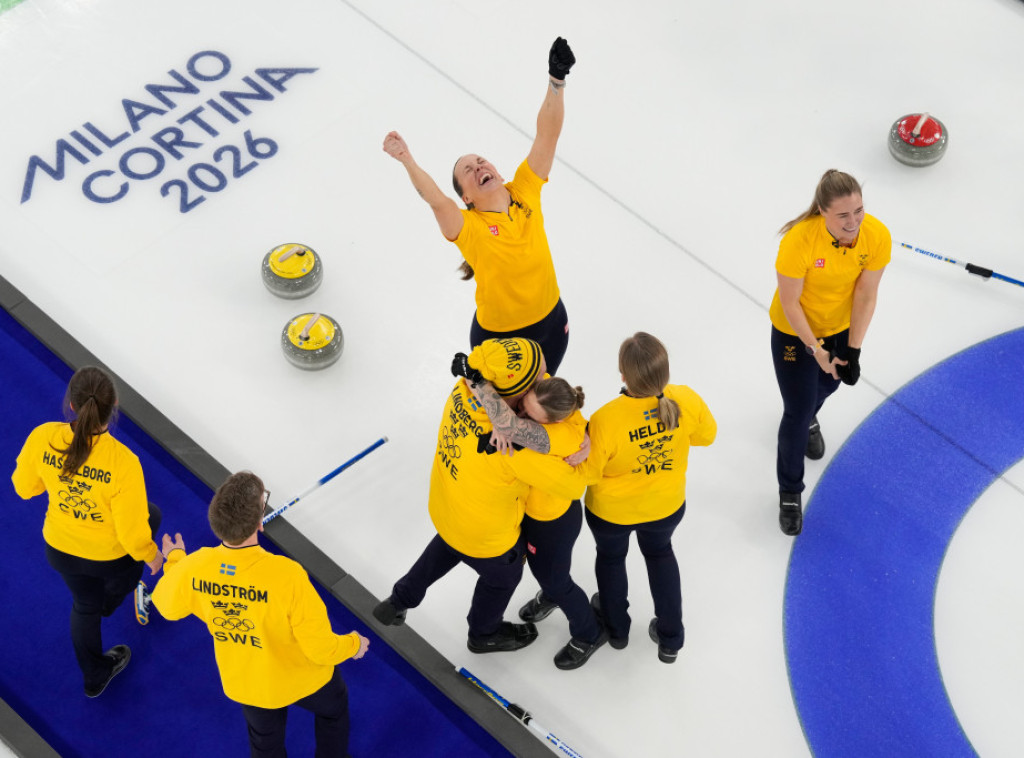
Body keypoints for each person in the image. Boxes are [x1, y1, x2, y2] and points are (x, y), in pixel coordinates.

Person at [373, 337, 587, 655]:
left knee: (450, 542)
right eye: (538, 378)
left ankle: (400, 599)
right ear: (516, 394)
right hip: (487, 536)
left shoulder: (461, 388)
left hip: (447, 504)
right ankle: (484, 633)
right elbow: (572, 488)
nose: (546, 376)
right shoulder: (512, 447)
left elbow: (486, 388)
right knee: (502, 577)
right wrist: (583, 441)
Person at [382, 37, 577, 374]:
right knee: (503, 423)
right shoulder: (468, 228)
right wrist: (406, 160)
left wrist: (556, 80)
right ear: (466, 198)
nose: (479, 168)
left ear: (497, 171)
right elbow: (435, 199)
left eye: (481, 161)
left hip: (551, 325)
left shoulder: (526, 188)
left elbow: (547, 135)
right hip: (501, 340)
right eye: (468, 171)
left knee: (542, 412)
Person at [151, 471, 369, 757]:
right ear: (260, 524)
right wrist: (353, 644)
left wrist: (176, 560)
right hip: (304, 679)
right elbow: (320, 649)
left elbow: (167, 606)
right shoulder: (287, 575)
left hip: (249, 684)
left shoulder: (196, 565)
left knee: (265, 745)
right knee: (333, 712)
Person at [11, 365, 163, 697]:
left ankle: (95, 674)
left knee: (84, 605)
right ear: (115, 406)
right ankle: (109, 601)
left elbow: (24, 488)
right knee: (149, 520)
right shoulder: (123, 462)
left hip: (60, 549)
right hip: (109, 558)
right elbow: (130, 534)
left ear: (72, 405)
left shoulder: (42, 437)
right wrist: (153, 556)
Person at [577, 333, 716, 664]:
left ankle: (618, 630)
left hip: (612, 513)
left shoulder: (606, 419)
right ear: (665, 372)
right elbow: (706, 436)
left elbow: (589, 473)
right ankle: (670, 638)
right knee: (660, 556)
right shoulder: (685, 399)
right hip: (665, 506)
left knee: (611, 560)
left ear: (623, 375)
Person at [769, 169, 891, 536]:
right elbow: (791, 303)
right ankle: (790, 491)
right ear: (822, 211)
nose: (853, 222)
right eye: (843, 215)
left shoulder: (876, 236)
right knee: (797, 410)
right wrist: (817, 350)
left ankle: (812, 415)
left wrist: (852, 350)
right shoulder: (799, 241)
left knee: (829, 386)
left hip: (838, 326)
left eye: (858, 211)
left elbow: (866, 294)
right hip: (795, 331)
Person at [468, 375, 608, 669]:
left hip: (552, 524)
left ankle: (589, 633)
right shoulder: (561, 402)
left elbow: (573, 483)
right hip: (535, 514)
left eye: (529, 418)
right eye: (522, 406)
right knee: (547, 574)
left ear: (551, 425)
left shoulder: (553, 447)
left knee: (557, 580)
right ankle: (550, 595)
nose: (518, 417)